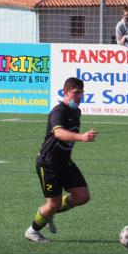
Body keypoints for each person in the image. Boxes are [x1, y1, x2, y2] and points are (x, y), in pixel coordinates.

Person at [25, 77, 97, 244]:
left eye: (81, 92)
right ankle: (32, 231)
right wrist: (81, 137)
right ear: (66, 92)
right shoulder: (59, 111)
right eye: (76, 92)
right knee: (53, 203)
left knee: (82, 196)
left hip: (65, 162)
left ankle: (47, 213)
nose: (80, 96)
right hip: (48, 164)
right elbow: (58, 133)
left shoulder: (76, 112)